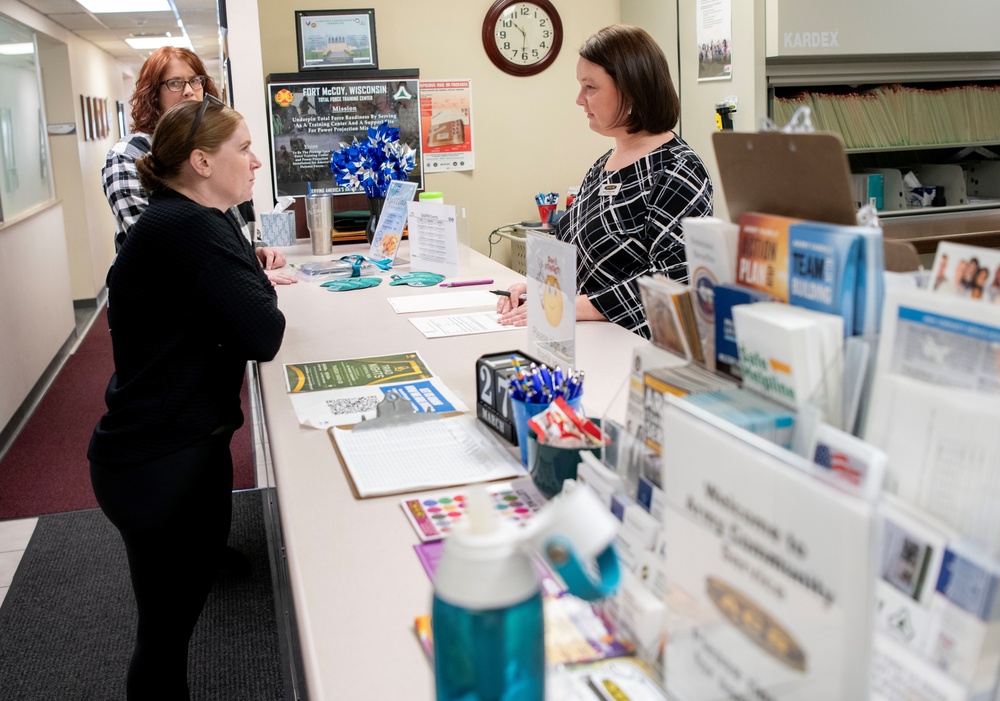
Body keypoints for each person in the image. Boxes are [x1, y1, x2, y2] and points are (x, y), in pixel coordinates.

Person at [88, 97, 286, 699]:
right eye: (243, 148)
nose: (255, 161)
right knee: (165, 634)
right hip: (156, 462)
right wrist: (254, 287)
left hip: (177, 446)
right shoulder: (187, 226)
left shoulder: (201, 216)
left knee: (181, 608)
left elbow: (242, 297)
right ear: (202, 161)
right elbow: (262, 332)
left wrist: (248, 277)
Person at [497, 25, 713, 338]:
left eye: (591, 88)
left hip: (637, 351)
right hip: (589, 342)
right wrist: (542, 289)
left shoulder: (678, 170)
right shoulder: (603, 166)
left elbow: (673, 282)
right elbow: (588, 259)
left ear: (632, 89)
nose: (579, 100)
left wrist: (570, 307)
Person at [103, 46, 295, 285]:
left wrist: (254, 252)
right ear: (153, 94)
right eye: (175, 83)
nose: (188, 91)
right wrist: (239, 272)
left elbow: (232, 216)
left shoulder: (218, 145)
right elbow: (155, 246)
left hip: (227, 284)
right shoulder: (127, 155)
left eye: (195, 81)